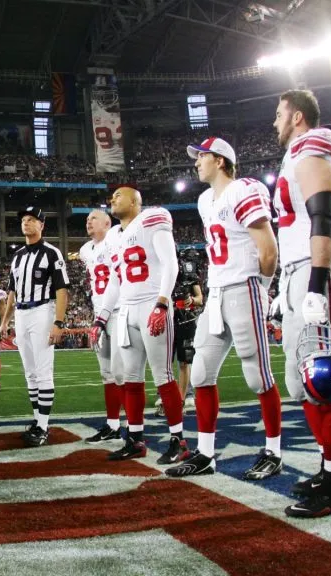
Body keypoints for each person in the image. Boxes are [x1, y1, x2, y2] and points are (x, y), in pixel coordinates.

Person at [164, 136, 283, 482]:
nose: (196, 162)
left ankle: (273, 452)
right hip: (216, 293)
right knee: (200, 373)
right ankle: (205, 454)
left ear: (219, 160)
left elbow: (268, 249)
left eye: (201, 157)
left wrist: (259, 288)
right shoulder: (204, 199)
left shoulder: (244, 189)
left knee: (257, 374)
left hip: (244, 286)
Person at [270, 90, 331, 518]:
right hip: (297, 270)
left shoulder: (312, 143)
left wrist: (315, 286)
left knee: (326, 379)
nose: (274, 122)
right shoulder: (298, 152)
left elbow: (322, 215)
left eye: (279, 113)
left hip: (316, 269)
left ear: (297, 116)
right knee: (300, 382)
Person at [89, 187, 188, 465]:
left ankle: (178, 440)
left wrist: (162, 302)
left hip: (150, 304)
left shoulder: (152, 218)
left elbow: (171, 263)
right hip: (127, 310)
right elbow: (116, 281)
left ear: (135, 201)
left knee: (163, 376)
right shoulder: (114, 237)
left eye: (118, 196)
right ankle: (135, 440)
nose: (112, 200)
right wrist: (102, 317)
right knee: (129, 378)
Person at [0, 206, 69, 447]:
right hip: (21, 312)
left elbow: (62, 289)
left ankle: (43, 425)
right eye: (24, 219)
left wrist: (58, 322)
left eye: (32, 220)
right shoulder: (18, 255)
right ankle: (38, 421)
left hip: (42, 310)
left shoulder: (52, 253)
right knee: (30, 372)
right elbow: (12, 291)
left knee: (43, 370)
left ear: (42, 225)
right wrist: (5, 319)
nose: (26, 223)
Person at [78, 209, 124, 443]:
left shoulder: (116, 237)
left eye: (93, 218)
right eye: (86, 219)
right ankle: (113, 425)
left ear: (107, 222)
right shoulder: (86, 250)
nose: (88, 221)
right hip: (99, 314)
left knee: (121, 372)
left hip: (118, 311)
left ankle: (135, 427)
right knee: (106, 373)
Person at [156, 252, 203, 416]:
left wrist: (191, 300)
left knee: (184, 362)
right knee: (163, 364)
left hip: (184, 320)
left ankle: (180, 401)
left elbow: (200, 298)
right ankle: (165, 399)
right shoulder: (158, 271)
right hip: (165, 318)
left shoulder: (187, 271)